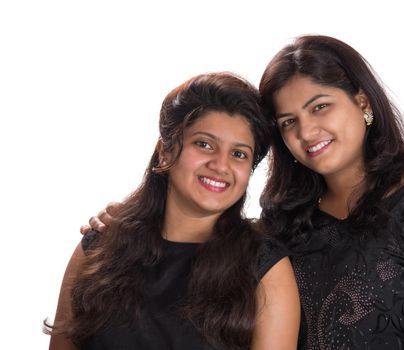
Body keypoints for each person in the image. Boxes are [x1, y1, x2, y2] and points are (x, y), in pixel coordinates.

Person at [83, 35, 404, 349]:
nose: (306, 132)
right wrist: (133, 220)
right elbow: (204, 232)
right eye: (289, 121)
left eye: (320, 107)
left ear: (361, 101)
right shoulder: (285, 222)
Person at [47, 72, 301, 350]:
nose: (220, 165)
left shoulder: (265, 267)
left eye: (239, 154)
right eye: (204, 144)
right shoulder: (99, 245)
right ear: (165, 152)